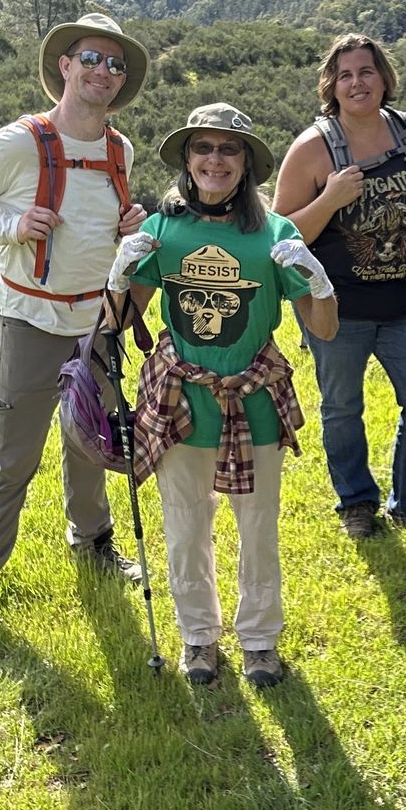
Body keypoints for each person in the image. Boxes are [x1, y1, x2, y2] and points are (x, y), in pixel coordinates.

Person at [0, 12, 150, 662]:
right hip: (31, 322)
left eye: (115, 64)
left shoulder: (119, 150)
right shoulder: (22, 142)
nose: (104, 71)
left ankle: (94, 543)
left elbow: (101, 228)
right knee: (12, 463)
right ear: (65, 66)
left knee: (91, 443)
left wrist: (129, 223)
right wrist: (11, 226)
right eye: (92, 58)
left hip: (98, 322)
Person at [110, 104, 338, 689]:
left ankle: (260, 640)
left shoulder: (276, 234)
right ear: (188, 160)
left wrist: (320, 282)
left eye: (228, 149)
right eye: (203, 148)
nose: (215, 159)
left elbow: (324, 327)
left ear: (246, 163)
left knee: (257, 527)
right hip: (181, 403)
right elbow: (120, 320)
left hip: (253, 400)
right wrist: (119, 276)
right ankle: (198, 636)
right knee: (185, 527)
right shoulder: (162, 231)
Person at [272, 34, 406, 539]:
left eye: (367, 72)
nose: (357, 83)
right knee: (342, 408)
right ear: (331, 85)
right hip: (337, 309)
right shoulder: (313, 148)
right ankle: (355, 502)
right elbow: (280, 236)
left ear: (384, 79)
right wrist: (329, 200)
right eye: (346, 75)